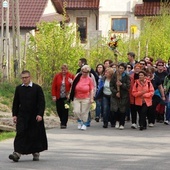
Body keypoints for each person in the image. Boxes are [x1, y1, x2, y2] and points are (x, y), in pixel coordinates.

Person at [9, 70, 48, 162]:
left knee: (34, 134)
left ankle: (35, 152)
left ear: (30, 77)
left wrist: (40, 114)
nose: (24, 79)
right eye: (23, 78)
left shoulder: (37, 88)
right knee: (20, 132)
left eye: (26, 77)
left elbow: (41, 103)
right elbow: (16, 102)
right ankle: (17, 153)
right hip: (22, 115)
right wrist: (14, 114)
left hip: (34, 115)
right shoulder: (19, 88)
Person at [69, 65, 94, 130]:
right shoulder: (77, 77)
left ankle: (84, 124)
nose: (84, 73)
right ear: (81, 71)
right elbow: (73, 85)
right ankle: (79, 121)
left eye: (86, 72)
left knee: (84, 112)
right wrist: (70, 94)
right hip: (76, 97)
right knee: (76, 111)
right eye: (83, 72)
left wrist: (91, 98)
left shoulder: (90, 79)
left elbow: (91, 89)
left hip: (86, 97)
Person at [51, 64, 74, 129]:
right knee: (59, 109)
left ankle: (64, 123)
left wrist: (72, 82)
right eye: (63, 70)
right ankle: (62, 120)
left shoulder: (71, 76)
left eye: (65, 70)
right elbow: (53, 86)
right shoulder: (57, 76)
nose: (64, 71)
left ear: (67, 69)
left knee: (65, 109)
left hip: (67, 97)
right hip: (59, 96)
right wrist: (54, 95)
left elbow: (74, 86)